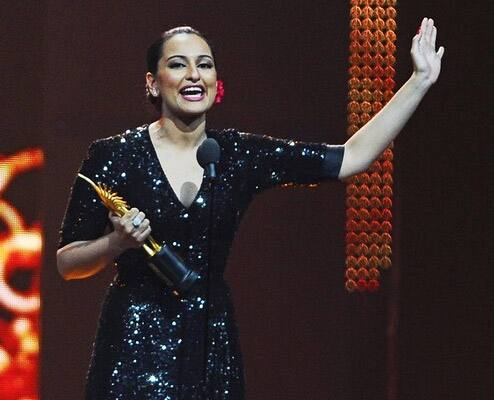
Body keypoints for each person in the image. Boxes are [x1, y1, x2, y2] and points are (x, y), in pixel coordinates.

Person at [57, 18, 444, 399]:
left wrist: (419, 81)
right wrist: (115, 243)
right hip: (133, 344)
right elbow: (67, 262)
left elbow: (351, 158)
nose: (194, 74)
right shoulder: (114, 156)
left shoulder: (237, 154)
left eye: (204, 64)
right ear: (153, 83)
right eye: (178, 64)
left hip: (210, 341)